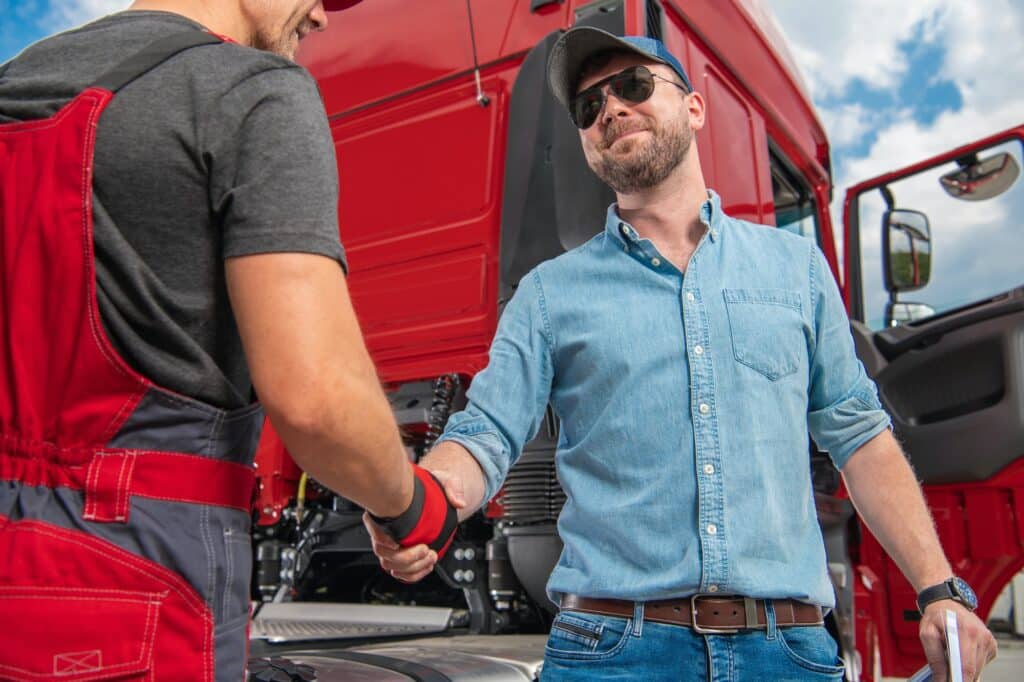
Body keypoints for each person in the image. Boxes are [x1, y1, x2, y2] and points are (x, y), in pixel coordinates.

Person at [365, 27, 998, 682]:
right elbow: (487, 433)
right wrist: (424, 497)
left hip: (789, 653)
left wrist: (939, 589)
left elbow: (859, 434)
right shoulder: (550, 295)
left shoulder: (797, 269)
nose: (610, 108)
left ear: (694, 108)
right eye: (588, 107)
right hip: (612, 652)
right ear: (584, 142)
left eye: (633, 86)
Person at [0, 1, 454, 680]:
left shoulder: (16, 85)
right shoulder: (249, 90)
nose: (324, 19)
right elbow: (317, 401)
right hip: (138, 593)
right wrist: (411, 505)